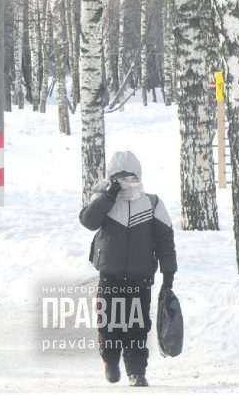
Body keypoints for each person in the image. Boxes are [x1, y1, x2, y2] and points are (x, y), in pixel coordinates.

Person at [79, 151, 177, 387]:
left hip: (140, 277)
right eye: (120, 179)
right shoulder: (103, 200)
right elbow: (88, 221)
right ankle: (110, 360)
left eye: (131, 178)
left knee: (137, 326)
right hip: (109, 275)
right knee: (109, 324)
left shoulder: (152, 203)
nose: (127, 183)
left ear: (139, 177)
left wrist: (168, 274)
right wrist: (107, 196)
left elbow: (166, 241)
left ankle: (136, 372)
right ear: (112, 179)